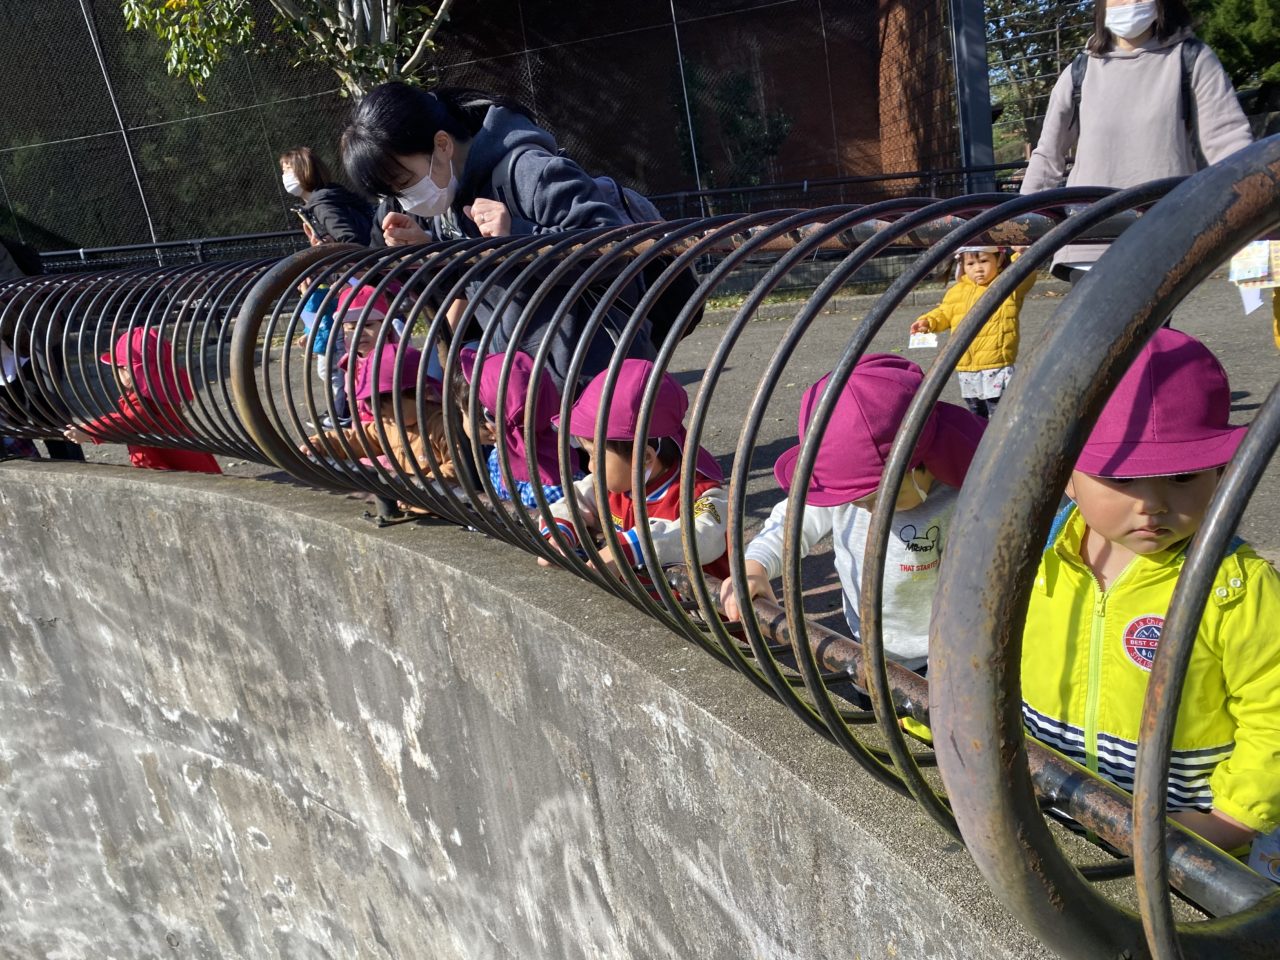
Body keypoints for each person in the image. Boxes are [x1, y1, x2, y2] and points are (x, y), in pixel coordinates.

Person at [1020, 328, 1280, 854]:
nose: (1153, 504)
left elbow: (1273, 712)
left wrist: (1234, 820)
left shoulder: (1236, 585)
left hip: (1183, 832)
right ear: (1067, 475)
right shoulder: (1032, 559)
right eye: (1122, 478)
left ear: (1222, 473)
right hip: (1049, 803)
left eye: (1183, 477)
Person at [341, 82, 655, 395]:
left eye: (405, 182)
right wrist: (429, 252)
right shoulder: (452, 197)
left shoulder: (527, 171)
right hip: (530, 390)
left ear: (442, 144)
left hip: (599, 381)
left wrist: (517, 236)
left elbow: (614, 250)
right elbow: (475, 284)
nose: (406, 199)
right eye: (395, 193)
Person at [721, 355, 986, 679]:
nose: (870, 510)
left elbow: (977, 594)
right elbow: (793, 520)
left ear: (924, 463)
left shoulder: (961, 499)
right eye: (857, 502)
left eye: (879, 498)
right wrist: (755, 565)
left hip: (943, 654)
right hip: (864, 646)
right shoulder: (843, 485)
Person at [1020, 0, 1252, 279]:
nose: (1130, 2)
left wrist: (1257, 203)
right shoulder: (1079, 71)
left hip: (1164, 236)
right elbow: (1048, 154)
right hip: (1088, 241)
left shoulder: (1191, 59)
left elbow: (1228, 140)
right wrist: (1022, 222)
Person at [538, 359, 728, 581]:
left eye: (595, 456)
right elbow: (574, 500)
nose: (589, 466)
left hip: (689, 603)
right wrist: (559, 534)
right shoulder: (611, 486)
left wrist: (630, 547)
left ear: (644, 457)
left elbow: (703, 537)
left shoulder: (699, 495)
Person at [61, 328, 221, 474]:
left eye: (117, 367)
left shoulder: (145, 400)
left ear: (127, 370)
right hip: (188, 462)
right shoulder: (163, 390)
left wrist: (89, 430)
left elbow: (130, 420)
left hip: (175, 468)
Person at [909, 245, 1036, 419]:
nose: (978, 269)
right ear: (962, 265)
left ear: (999, 259)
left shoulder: (1006, 286)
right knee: (976, 415)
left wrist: (1022, 255)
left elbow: (1024, 275)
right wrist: (928, 321)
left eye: (984, 261)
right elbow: (944, 313)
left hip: (996, 366)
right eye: (970, 264)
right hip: (966, 368)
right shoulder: (957, 291)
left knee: (1000, 414)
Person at [303, 340, 453, 481]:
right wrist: (321, 444)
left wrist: (421, 487)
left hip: (437, 498)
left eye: (396, 412)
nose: (388, 420)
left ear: (424, 392)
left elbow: (455, 466)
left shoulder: (442, 426)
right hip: (407, 494)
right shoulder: (388, 426)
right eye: (381, 415)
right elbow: (357, 439)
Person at [457, 348, 584, 507]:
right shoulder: (498, 456)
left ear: (491, 429)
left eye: (463, 412)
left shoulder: (553, 492)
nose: (461, 417)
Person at [280, 147, 374, 246]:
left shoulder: (323, 206)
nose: (284, 176)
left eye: (287, 170)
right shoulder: (329, 198)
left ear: (304, 170)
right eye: (283, 171)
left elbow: (351, 241)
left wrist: (328, 250)